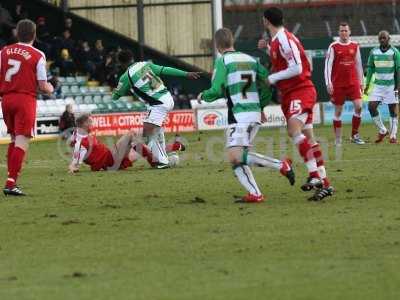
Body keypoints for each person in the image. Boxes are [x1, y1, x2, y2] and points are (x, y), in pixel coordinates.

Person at [197, 28, 295, 203]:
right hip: (252, 113)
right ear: (232, 41)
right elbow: (266, 84)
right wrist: (262, 105)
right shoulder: (251, 60)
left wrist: (203, 96)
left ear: (217, 45)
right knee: (237, 158)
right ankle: (255, 193)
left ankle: (281, 165)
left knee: (235, 155)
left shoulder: (223, 61)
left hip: (240, 115)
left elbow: (217, 88)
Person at [260, 7, 333, 201]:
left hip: (300, 90)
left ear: (266, 21)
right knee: (309, 136)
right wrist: (267, 49)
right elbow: (285, 61)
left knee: (294, 129)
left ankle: (315, 176)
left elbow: (297, 67)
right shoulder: (277, 41)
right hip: (293, 92)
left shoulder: (284, 38)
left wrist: (272, 78)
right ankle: (325, 184)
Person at [112, 50, 200, 168]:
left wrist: (115, 92)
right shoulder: (145, 65)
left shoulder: (126, 76)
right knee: (156, 132)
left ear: (121, 63)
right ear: (132, 58)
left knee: (147, 135)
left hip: (158, 103)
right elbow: (165, 69)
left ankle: (163, 161)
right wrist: (185, 74)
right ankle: (168, 153)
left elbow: (116, 96)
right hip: (167, 98)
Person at [0, 19, 54, 196]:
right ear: (34, 34)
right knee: (22, 140)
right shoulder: (38, 55)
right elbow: (43, 86)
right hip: (25, 99)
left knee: (14, 138)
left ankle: (11, 179)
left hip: (6, 99)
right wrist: (51, 88)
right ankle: (11, 183)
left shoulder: (3, 52)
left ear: (17, 33)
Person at [68, 114, 184, 172]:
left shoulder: (78, 134)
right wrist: (73, 166)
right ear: (85, 124)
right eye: (90, 123)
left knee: (145, 148)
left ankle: (175, 146)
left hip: (112, 161)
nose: (92, 125)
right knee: (131, 134)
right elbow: (76, 161)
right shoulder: (81, 142)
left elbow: (73, 140)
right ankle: (157, 163)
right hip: (110, 159)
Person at [324, 22, 365, 145]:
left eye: (346, 30)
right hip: (338, 84)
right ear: (339, 32)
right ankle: (338, 139)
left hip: (353, 82)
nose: (344, 33)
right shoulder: (333, 46)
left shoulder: (355, 45)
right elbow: (328, 66)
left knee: (359, 106)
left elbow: (358, 64)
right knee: (338, 112)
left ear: (349, 32)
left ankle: (355, 135)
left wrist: (361, 81)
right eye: (342, 31)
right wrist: (328, 83)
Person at [365, 31, 400, 144]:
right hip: (378, 86)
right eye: (380, 38)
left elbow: (398, 70)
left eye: (384, 38)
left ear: (389, 39)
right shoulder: (373, 52)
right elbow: (370, 68)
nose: (382, 40)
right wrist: (367, 84)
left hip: (391, 86)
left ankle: (393, 135)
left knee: (393, 110)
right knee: (371, 107)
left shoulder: (395, 52)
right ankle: (383, 130)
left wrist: (398, 85)